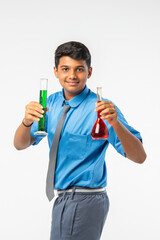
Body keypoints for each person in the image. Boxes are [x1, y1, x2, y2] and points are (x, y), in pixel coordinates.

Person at [14, 41, 147, 240]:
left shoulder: (101, 108)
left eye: (79, 69)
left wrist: (116, 123)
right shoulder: (50, 102)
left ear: (89, 72)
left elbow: (139, 156)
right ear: (56, 71)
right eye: (65, 69)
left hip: (85, 197)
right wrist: (26, 122)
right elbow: (20, 144)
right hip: (64, 198)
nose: (72, 76)